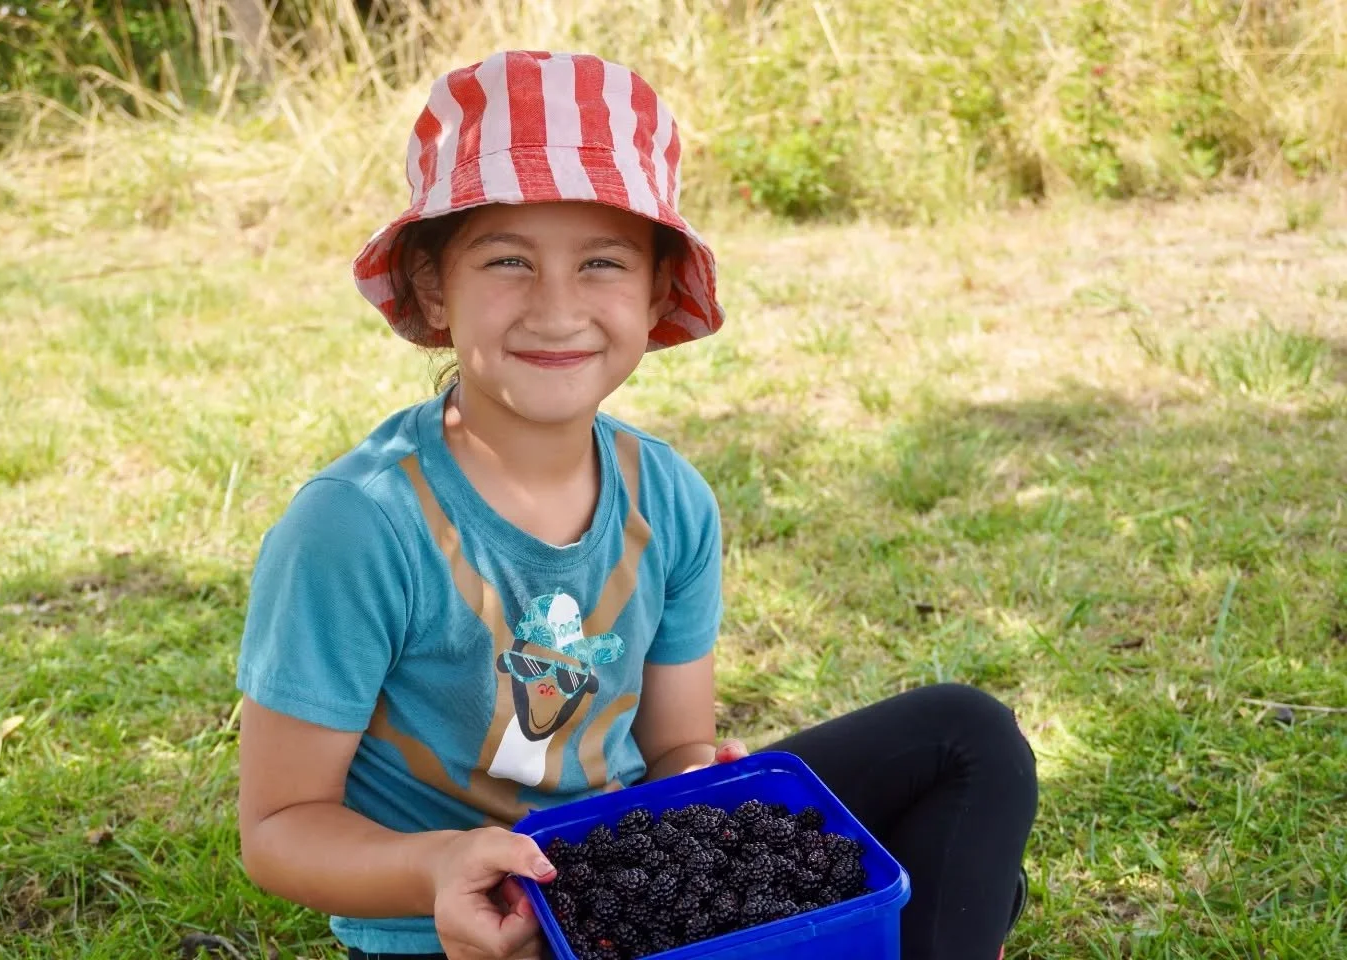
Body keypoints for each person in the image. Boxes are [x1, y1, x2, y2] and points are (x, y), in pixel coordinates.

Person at [234, 50, 1038, 960]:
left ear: (656, 290)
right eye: (507, 260)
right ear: (432, 286)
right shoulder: (358, 525)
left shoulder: (671, 499)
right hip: (469, 930)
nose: (556, 309)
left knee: (967, 736)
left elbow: (675, 751)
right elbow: (281, 827)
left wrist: (703, 790)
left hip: (629, 885)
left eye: (602, 263)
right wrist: (440, 867)